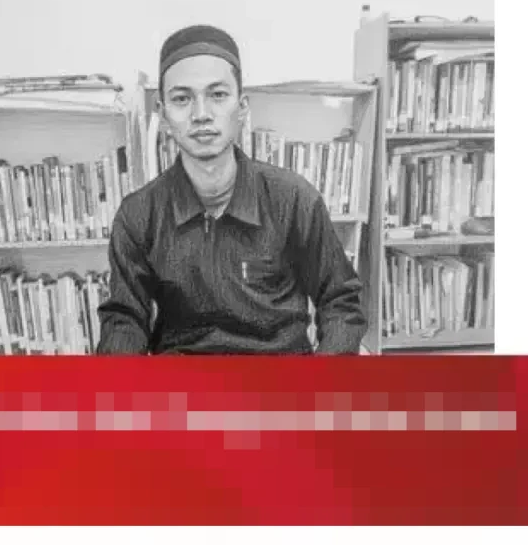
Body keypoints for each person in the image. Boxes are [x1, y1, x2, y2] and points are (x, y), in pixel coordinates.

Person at [96, 24, 366, 355]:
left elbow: (341, 302)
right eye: (182, 99)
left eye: (218, 95)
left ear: (242, 107)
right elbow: (124, 320)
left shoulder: (293, 199)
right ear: (163, 115)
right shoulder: (139, 215)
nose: (201, 114)